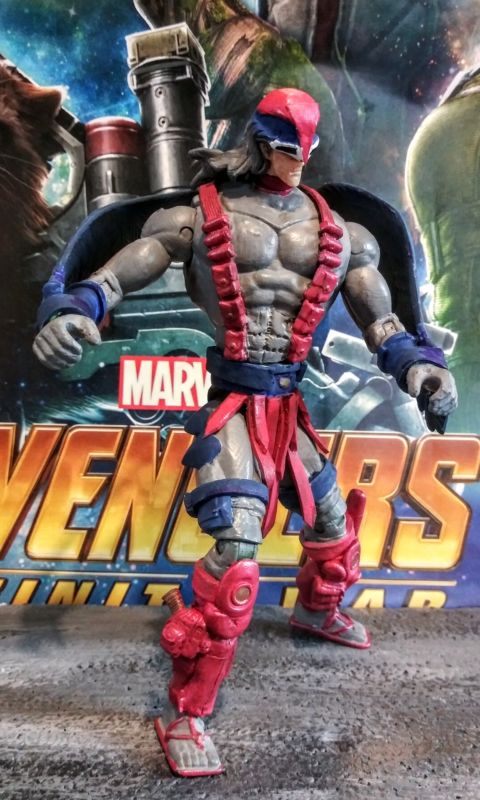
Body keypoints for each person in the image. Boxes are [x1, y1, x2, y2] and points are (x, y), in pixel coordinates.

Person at [33, 88, 457, 777]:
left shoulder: (342, 232)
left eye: (304, 150)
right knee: (235, 554)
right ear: (260, 142)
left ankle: (316, 611)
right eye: (285, 148)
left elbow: (382, 323)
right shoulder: (198, 217)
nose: (296, 162)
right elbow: (120, 271)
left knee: (331, 526)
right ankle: (187, 711)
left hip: (287, 404)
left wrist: (419, 368)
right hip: (233, 401)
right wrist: (77, 308)